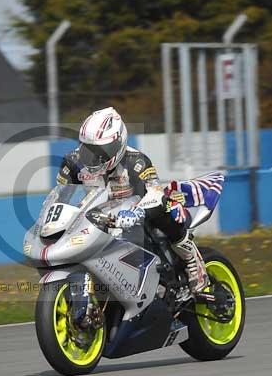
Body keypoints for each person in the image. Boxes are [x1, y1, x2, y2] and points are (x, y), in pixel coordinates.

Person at [56, 107, 209, 293]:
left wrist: (136, 211)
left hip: (136, 217)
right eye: (88, 149)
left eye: (101, 150)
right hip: (97, 219)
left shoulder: (137, 161)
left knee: (165, 206)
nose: (94, 156)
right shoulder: (72, 162)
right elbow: (61, 195)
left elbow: (154, 192)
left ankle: (192, 260)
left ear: (118, 143)